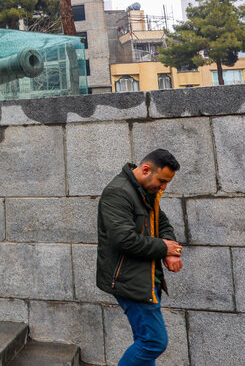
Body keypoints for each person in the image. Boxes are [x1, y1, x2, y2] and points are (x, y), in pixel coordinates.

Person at [97, 149, 183, 365]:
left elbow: (162, 223)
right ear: (146, 170)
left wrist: (172, 251)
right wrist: (164, 249)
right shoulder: (118, 192)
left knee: (145, 342)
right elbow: (124, 239)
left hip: (147, 277)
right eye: (162, 181)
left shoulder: (146, 192)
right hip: (130, 280)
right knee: (154, 342)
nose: (163, 187)